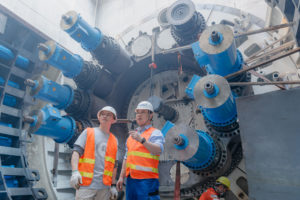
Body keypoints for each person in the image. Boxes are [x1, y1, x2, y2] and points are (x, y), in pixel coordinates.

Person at [117, 101, 165, 200]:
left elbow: (158, 150)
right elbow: (126, 157)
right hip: (130, 180)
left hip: (147, 181)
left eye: (143, 112)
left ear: (151, 115)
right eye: (137, 112)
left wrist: (142, 140)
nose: (139, 115)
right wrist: (121, 177)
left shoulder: (155, 133)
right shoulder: (132, 136)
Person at [70, 106, 119, 200]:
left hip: (104, 187)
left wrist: (113, 185)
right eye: (102, 114)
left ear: (113, 119)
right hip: (86, 185)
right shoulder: (88, 132)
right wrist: (75, 172)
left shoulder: (114, 140)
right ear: (99, 117)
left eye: (108, 115)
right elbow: (76, 152)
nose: (104, 116)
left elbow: (114, 165)